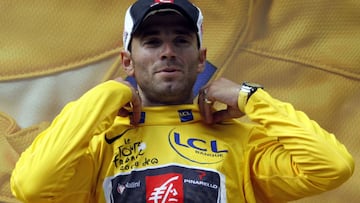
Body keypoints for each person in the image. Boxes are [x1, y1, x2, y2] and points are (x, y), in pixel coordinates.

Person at [10, 0, 354, 202]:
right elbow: (32, 186)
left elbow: (332, 167)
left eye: (181, 40)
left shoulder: (243, 141)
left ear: (200, 58)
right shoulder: (98, 143)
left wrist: (250, 98)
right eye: (152, 42)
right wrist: (109, 93)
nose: (169, 52)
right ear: (127, 60)